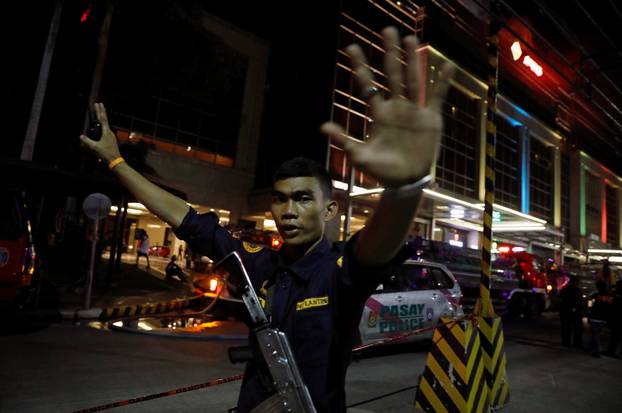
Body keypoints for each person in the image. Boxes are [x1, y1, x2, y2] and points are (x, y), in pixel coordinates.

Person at [79, 26, 454, 413]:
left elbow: (377, 245)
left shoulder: (339, 271)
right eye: (280, 199)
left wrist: (407, 187)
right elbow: (185, 218)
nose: (287, 210)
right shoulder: (257, 263)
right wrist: (116, 161)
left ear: (330, 210)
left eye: (303, 198)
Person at [588, 280, 613, 357]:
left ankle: (597, 351)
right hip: (603, 317)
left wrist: (588, 311)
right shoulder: (610, 295)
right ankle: (591, 348)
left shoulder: (596, 294)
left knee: (595, 335)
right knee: (597, 334)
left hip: (595, 316)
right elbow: (610, 306)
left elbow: (588, 301)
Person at [559, 275, 583, 348]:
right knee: (577, 328)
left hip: (565, 311)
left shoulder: (565, 289)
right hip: (573, 311)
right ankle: (576, 343)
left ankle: (566, 342)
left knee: (566, 327)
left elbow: (560, 298)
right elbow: (578, 301)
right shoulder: (576, 290)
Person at [604, 280, 622, 358]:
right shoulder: (616, 296)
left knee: (615, 336)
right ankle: (614, 351)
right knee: (615, 336)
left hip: (617, 319)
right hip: (617, 318)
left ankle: (611, 351)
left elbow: (612, 306)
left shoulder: (617, 296)